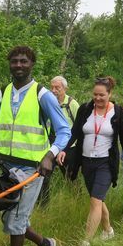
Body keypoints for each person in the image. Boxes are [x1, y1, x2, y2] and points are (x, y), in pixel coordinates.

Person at [0, 46, 70, 246]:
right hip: (5, 166)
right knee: (11, 218)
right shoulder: (3, 92)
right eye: (14, 61)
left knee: (16, 221)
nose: (18, 65)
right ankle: (45, 245)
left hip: (33, 168)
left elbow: (65, 130)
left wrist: (50, 156)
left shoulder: (42, 95)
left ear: (32, 64)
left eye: (23, 61)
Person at [57, 77, 123, 246]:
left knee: (95, 201)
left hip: (105, 163)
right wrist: (64, 149)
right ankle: (108, 230)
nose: (98, 98)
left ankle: (86, 243)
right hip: (86, 162)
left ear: (110, 94)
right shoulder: (85, 109)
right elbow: (75, 132)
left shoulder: (117, 113)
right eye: (95, 95)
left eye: (102, 95)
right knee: (97, 200)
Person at [37, 75, 80, 205]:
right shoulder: (48, 103)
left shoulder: (72, 104)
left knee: (70, 176)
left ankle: (76, 202)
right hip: (52, 143)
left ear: (65, 88)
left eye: (58, 87)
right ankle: (43, 205)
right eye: (52, 87)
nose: (54, 90)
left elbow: (80, 125)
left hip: (69, 146)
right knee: (44, 174)